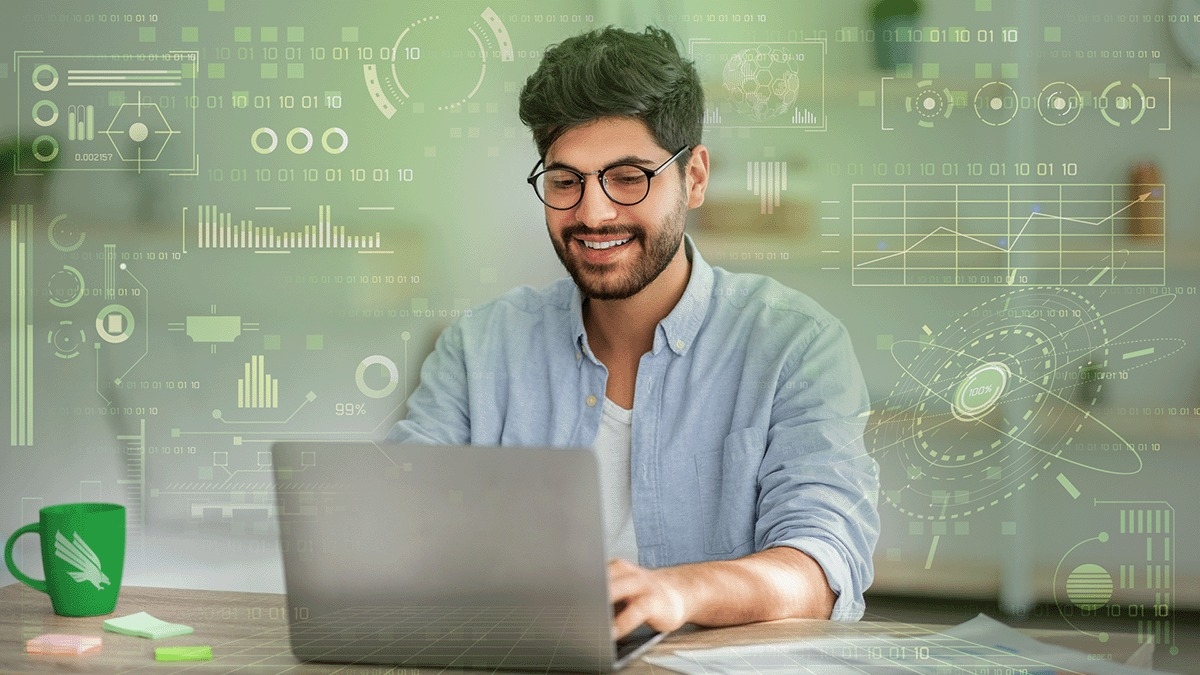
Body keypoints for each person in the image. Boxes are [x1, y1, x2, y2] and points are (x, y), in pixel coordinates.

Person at [387, 26, 880, 639]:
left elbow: (823, 564)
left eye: (628, 177)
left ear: (695, 177)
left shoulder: (795, 345)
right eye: (566, 181)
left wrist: (677, 590)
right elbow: (398, 520)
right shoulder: (478, 347)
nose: (593, 213)